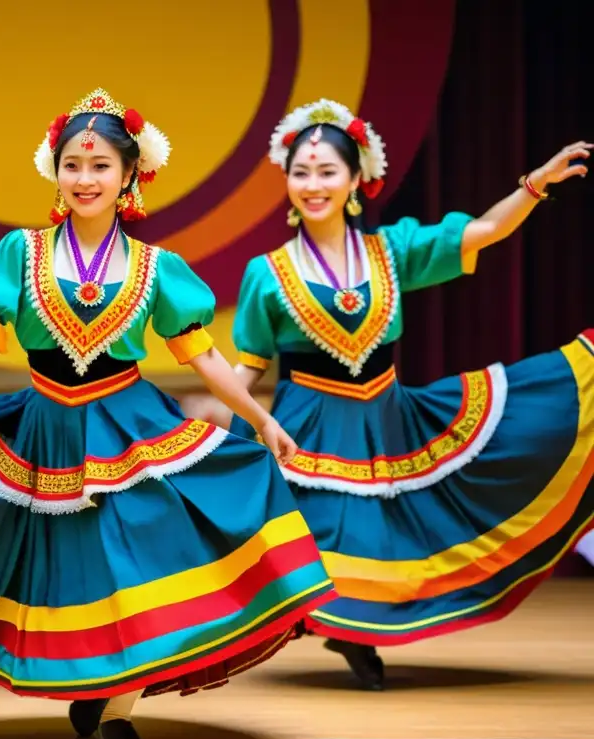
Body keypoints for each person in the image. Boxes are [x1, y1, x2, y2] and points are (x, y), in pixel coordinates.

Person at [0, 89, 336, 739]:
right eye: (73, 164)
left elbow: (203, 354)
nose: (84, 178)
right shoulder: (22, 252)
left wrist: (261, 420)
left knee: (136, 563)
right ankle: (92, 682)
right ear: (55, 171)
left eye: (100, 166)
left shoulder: (156, 268)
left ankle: (118, 708)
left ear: (129, 176)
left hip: (127, 424)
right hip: (45, 426)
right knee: (67, 568)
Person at [215, 98, 593, 690]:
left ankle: (357, 631)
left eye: (326, 172)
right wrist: (223, 424)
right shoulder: (268, 273)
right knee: (325, 540)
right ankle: (343, 629)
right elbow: (250, 367)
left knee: (397, 534)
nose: (313, 185)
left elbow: (486, 231)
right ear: (285, 181)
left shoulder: (391, 252)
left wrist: (535, 185)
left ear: (355, 180)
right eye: (301, 173)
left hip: (388, 422)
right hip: (310, 429)